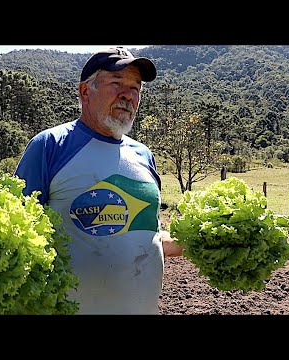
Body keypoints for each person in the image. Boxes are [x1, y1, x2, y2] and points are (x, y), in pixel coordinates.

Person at [14, 46, 182, 315]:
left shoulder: (144, 155)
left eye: (135, 87)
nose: (127, 95)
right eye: (116, 83)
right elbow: (16, 234)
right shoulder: (50, 146)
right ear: (85, 92)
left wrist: (200, 241)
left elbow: (145, 235)